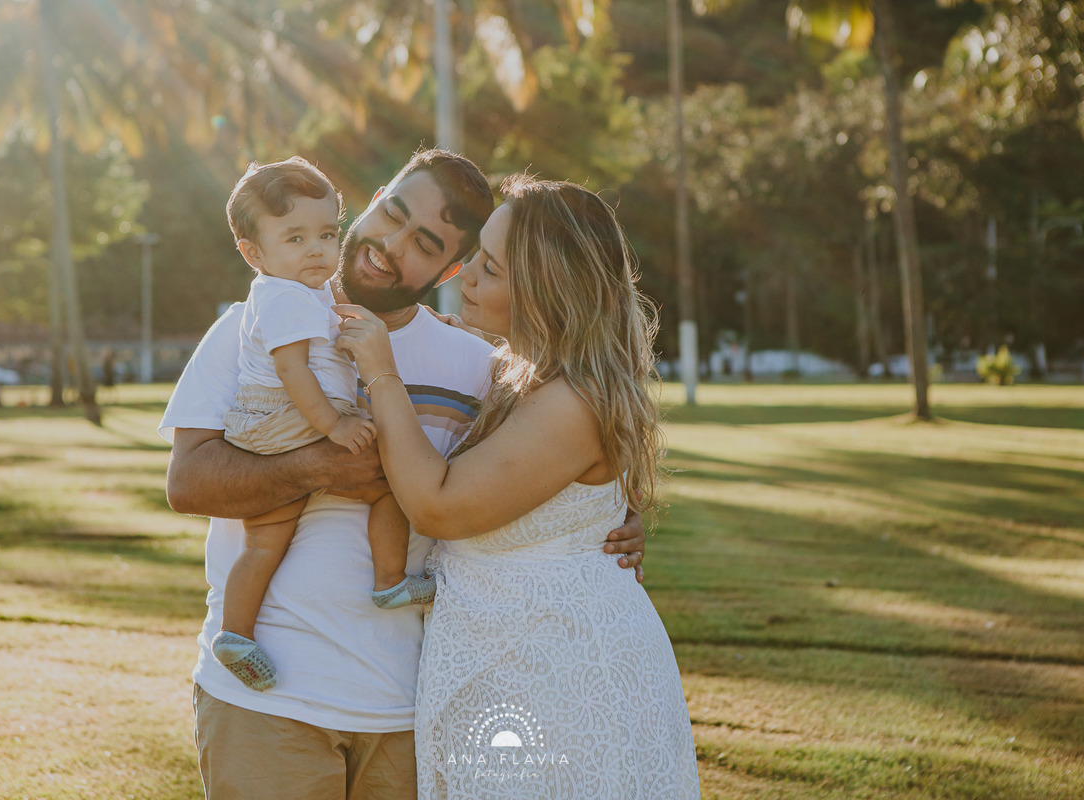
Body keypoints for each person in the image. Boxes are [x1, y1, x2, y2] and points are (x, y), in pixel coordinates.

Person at [159, 149, 649, 800]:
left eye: (423, 243)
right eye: (391, 213)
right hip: (269, 702)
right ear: (371, 198)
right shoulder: (256, 325)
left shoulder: (481, 367)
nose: (390, 246)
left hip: (411, 710)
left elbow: (564, 460)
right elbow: (187, 483)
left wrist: (619, 522)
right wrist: (318, 467)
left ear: (450, 268)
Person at [336, 174, 700, 799]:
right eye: (472, 257)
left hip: (557, 679)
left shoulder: (572, 403)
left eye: (490, 269)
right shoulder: (520, 374)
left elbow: (438, 504)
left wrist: (380, 373)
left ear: (545, 293)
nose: (465, 277)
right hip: (510, 666)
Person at [210, 157, 432, 694]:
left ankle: (236, 634)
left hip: (278, 420)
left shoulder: (299, 291)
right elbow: (291, 370)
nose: (317, 249)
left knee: (266, 540)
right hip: (283, 419)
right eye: (295, 238)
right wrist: (333, 425)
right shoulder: (283, 297)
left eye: (328, 233)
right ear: (254, 253)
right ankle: (388, 581)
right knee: (388, 475)